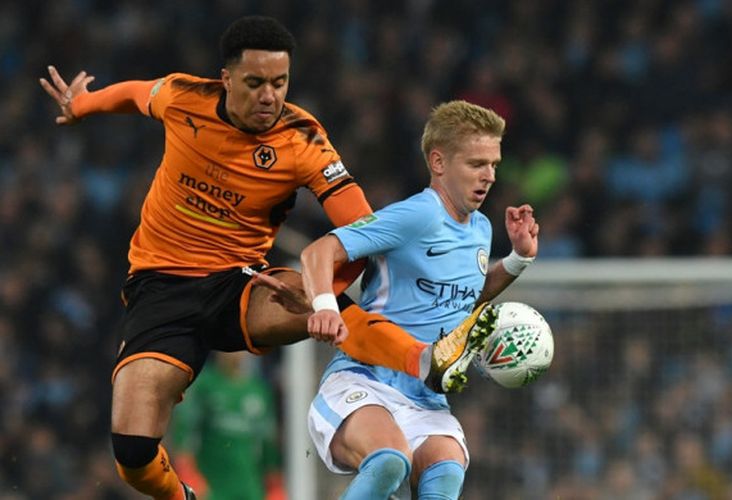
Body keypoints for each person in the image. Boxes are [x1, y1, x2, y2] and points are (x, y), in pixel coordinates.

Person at [39, 15, 491, 500]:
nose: (269, 96)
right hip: (160, 287)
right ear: (226, 79)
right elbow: (135, 94)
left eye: (279, 83)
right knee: (132, 455)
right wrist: (84, 103)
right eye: (255, 83)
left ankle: (421, 360)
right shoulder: (184, 97)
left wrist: (323, 296)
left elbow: (362, 233)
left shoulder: (304, 140)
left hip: (241, 283)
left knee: (318, 299)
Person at [300, 100, 539, 499]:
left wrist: (517, 261)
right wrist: (325, 306)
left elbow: (462, 300)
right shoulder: (415, 215)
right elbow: (317, 254)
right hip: (365, 380)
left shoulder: (480, 228)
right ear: (439, 162)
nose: (489, 176)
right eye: (476, 163)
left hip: (425, 397)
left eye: (494, 164)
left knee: (446, 471)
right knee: (390, 461)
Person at [169, 352, 285, 500]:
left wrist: (275, 487)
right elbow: (183, 433)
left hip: (250, 490)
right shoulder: (203, 385)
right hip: (212, 491)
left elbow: (269, 444)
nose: (236, 351)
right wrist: (189, 476)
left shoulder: (259, 391)